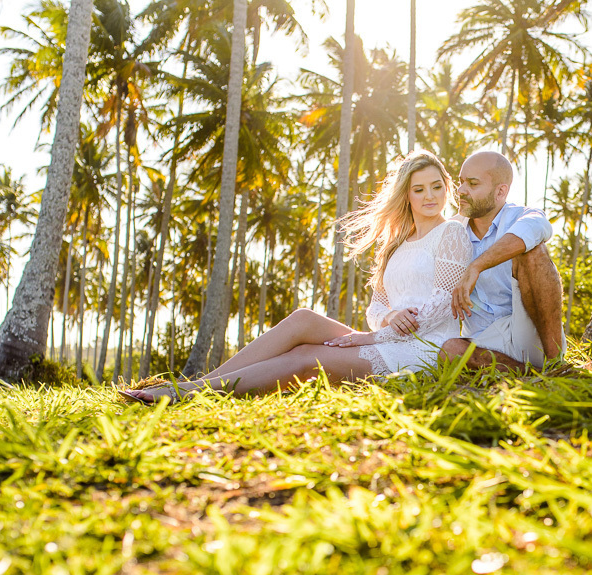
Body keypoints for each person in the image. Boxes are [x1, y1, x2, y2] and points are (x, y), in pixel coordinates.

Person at [118, 150, 471, 404]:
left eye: (437, 186)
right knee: (304, 319)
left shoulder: (451, 233)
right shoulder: (396, 244)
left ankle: (188, 393)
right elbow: (377, 306)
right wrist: (387, 318)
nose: (430, 196)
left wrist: (376, 336)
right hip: (386, 335)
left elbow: (442, 304)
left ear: (446, 189)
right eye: (419, 188)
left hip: (422, 349)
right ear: (406, 195)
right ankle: (200, 385)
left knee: (305, 358)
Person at [438, 151, 565, 371]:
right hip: (483, 343)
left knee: (532, 250)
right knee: (450, 350)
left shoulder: (522, 216)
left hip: (531, 335)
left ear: (500, 191)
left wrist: (476, 266)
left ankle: (557, 365)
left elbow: (537, 227)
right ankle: (530, 376)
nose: (461, 191)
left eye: (473, 183)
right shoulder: (451, 231)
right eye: (461, 182)